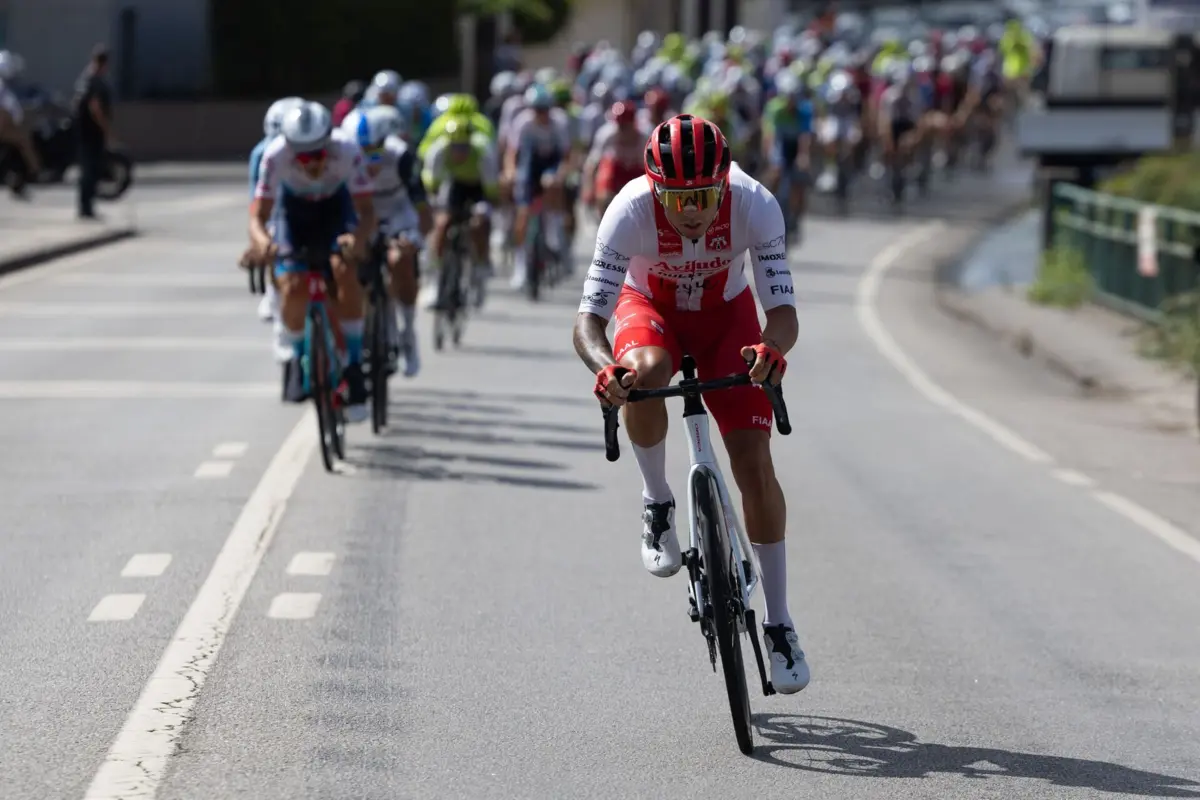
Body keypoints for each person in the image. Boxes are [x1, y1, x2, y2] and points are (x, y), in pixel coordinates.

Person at [572, 114, 809, 694]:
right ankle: (657, 501)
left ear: (725, 183)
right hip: (649, 311)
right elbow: (589, 322)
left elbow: (782, 312)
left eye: (704, 196)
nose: (692, 210)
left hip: (727, 320)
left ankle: (779, 624)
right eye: (676, 199)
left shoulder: (756, 204)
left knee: (754, 463)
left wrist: (771, 351)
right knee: (644, 373)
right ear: (654, 189)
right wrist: (607, 369)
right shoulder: (627, 210)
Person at [249, 101, 377, 423]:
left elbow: (367, 211)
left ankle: (352, 363)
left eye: (318, 154)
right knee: (292, 283)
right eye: (302, 156)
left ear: (329, 143)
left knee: (345, 270)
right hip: (295, 212)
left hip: (337, 207)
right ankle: (294, 350)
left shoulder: (347, 150)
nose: (312, 162)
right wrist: (264, 243)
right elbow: (259, 215)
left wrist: (358, 239)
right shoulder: (275, 156)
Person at [341, 104, 430, 377]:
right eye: (362, 153)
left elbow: (421, 205)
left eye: (375, 151)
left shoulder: (401, 156)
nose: (369, 161)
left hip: (397, 214)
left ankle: (407, 331)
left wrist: (418, 240)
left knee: (400, 259)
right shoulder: (341, 159)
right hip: (358, 216)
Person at [73, 44, 113, 220]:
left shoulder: (85, 78)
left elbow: (76, 102)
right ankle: (86, 208)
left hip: (83, 130)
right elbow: (95, 107)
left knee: (87, 169)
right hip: (92, 131)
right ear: (103, 63)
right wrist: (105, 127)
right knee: (91, 170)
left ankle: (85, 207)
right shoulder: (95, 80)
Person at [0, 49, 39, 198]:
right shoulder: (1, 86)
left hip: (9, 125)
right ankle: (35, 169)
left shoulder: (5, 86)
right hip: (5, 127)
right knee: (25, 141)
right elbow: (3, 111)